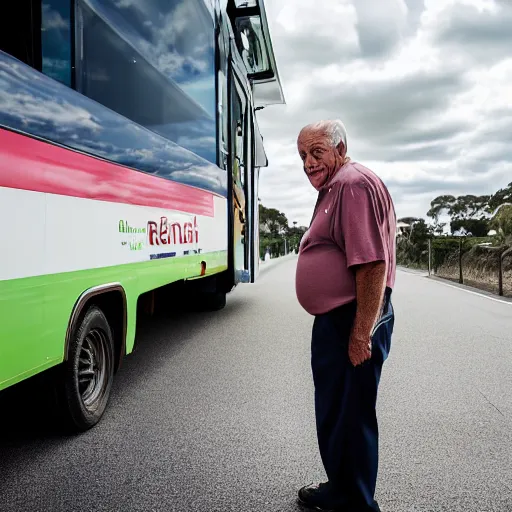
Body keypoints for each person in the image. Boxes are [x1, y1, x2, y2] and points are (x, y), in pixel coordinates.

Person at [295, 120, 396, 512]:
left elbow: (372, 264)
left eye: (317, 152)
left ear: (340, 147)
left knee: (350, 413)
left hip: (353, 317)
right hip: (342, 317)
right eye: (302, 155)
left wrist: (360, 332)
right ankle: (343, 488)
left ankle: (355, 501)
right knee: (337, 409)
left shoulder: (352, 185)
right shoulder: (336, 185)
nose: (308, 162)